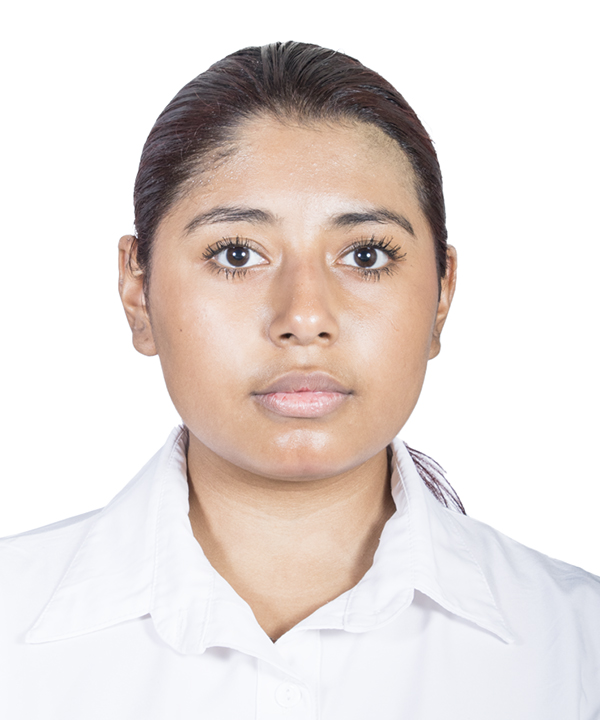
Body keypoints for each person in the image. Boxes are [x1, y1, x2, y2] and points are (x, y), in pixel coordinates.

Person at [1, 41, 598, 718]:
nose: (304, 318)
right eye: (237, 254)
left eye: (365, 255)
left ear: (442, 295)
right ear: (137, 292)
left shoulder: (577, 645)